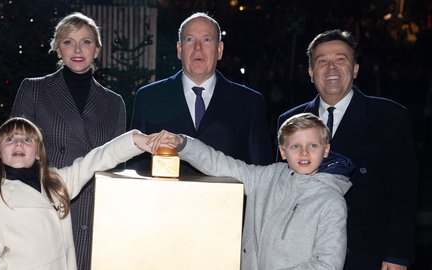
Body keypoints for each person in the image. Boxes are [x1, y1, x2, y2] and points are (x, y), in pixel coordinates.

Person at [277, 29, 418, 270]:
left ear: (355, 69)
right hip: (305, 255)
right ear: (311, 73)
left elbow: (403, 193)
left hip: (367, 255)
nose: (331, 67)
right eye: (322, 61)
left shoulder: (389, 117)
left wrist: (397, 256)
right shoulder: (290, 121)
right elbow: (281, 192)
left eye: (341, 59)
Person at [148, 113, 355, 269]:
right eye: (295, 147)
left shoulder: (331, 201)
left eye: (313, 146)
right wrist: (183, 144)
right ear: (282, 152)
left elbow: (327, 265)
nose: (304, 153)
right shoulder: (267, 177)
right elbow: (222, 164)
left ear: (326, 150)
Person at [10, 12, 126, 269]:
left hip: (93, 212)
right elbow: (16, 156)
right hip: (45, 206)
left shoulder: (114, 103)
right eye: (68, 41)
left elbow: (115, 167)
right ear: (57, 47)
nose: (77, 49)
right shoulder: (34, 89)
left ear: (96, 49)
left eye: (85, 42)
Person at [0, 117, 152, 270]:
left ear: (38, 154)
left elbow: (95, 160)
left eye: (27, 140)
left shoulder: (56, 182)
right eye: (10, 139)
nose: (18, 142)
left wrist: (134, 140)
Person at [127, 12, 274, 173]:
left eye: (206, 40)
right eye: (190, 40)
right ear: (179, 49)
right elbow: (136, 169)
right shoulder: (149, 98)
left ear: (219, 50)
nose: (198, 47)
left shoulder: (249, 103)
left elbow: (262, 175)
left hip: (226, 198)